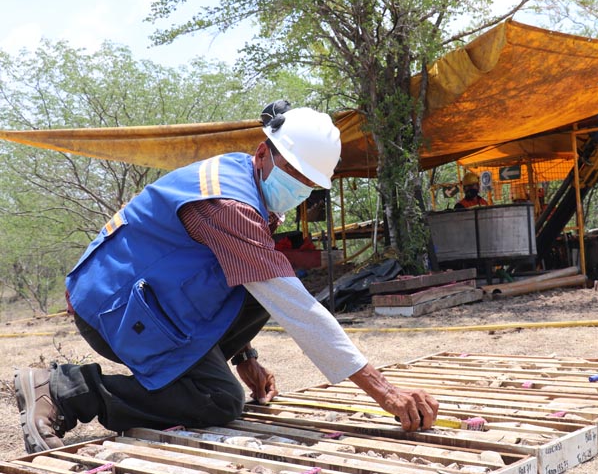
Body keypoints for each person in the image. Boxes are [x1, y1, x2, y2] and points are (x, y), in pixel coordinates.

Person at [13, 102, 439, 454]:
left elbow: (238, 279)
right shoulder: (228, 203)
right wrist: (384, 391)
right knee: (218, 401)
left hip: (155, 301)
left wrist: (244, 357)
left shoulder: (247, 186)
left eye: (309, 184)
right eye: (294, 176)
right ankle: (66, 390)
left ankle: (182, 370)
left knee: (264, 285)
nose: (299, 190)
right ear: (262, 153)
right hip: (110, 305)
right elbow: (297, 309)